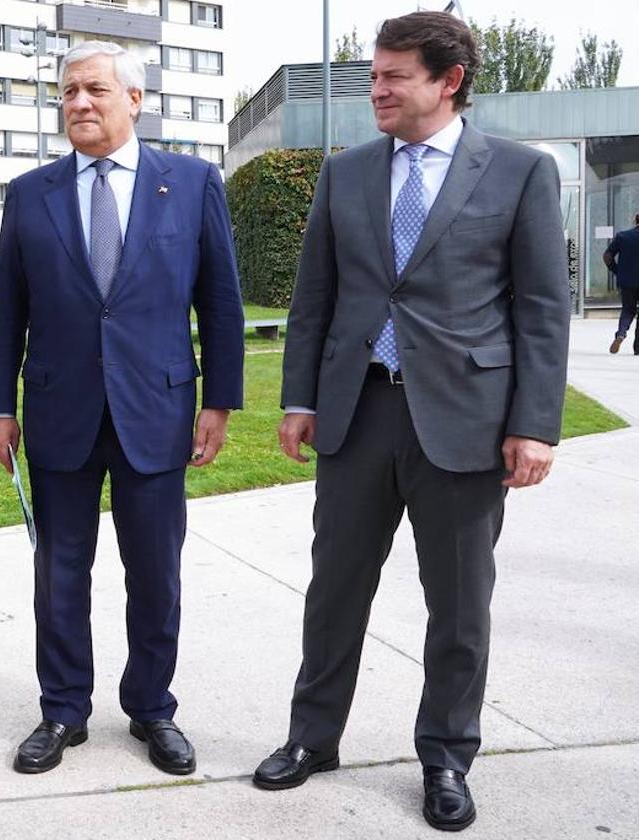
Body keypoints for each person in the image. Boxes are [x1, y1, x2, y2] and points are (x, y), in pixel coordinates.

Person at [252, 12, 570, 832]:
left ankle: (446, 758)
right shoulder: (346, 171)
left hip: (466, 422)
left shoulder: (521, 173)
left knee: (459, 606)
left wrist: (535, 424)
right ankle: (312, 739)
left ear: (448, 80)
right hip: (358, 415)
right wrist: (299, 398)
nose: (377, 90)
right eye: (375, 73)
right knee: (334, 594)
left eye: (394, 76)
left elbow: (541, 309)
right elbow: (314, 298)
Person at [0, 40, 245, 777]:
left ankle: (152, 708)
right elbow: (7, 312)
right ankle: (63, 710)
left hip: (156, 412)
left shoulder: (190, 183)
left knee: (155, 573)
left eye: (94, 89)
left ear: (134, 99)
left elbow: (219, 302)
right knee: (59, 573)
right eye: (67, 92)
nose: (79, 104)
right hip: (61, 412)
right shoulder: (31, 193)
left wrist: (220, 400)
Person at [605, 213, 639, 354]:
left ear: (635, 220)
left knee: (628, 309)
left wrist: (617, 271)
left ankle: (620, 334)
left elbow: (607, 256)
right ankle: (638, 348)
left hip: (627, 281)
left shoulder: (622, 236)